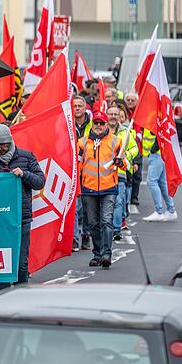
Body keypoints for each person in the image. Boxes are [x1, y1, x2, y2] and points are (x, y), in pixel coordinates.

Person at [0, 125, 44, 287]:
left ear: (10, 141)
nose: (1, 148)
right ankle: (2, 293)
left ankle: (21, 292)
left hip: (21, 218)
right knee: (0, 260)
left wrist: (24, 174)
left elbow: (40, 182)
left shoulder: (27, 157)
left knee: (21, 262)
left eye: (4, 144)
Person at [78, 111, 124, 268]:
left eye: (101, 123)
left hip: (109, 187)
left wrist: (121, 163)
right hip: (88, 188)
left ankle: (106, 254)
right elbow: (76, 165)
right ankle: (97, 254)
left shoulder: (116, 141)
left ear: (106, 124)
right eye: (96, 122)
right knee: (92, 223)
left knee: (106, 221)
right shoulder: (82, 143)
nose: (98, 126)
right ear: (92, 124)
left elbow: (125, 164)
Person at [106, 106, 137, 242]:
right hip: (103, 174)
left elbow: (134, 148)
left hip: (120, 173)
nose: (113, 117)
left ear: (119, 116)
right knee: (106, 203)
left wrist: (125, 157)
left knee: (118, 202)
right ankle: (106, 229)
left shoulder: (125, 132)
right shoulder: (101, 130)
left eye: (115, 114)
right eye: (110, 114)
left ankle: (116, 229)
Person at [142, 128, 178, 222]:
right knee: (162, 183)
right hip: (158, 154)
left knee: (152, 182)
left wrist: (154, 149)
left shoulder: (154, 116)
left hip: (156, 154)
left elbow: (159, 132)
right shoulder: (154, 116)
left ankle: (159, 212)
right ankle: (171, 210)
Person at [72, 96, 92, 251]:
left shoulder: (92, 125)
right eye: (75, 105)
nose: (77, 108)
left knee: (86, 207)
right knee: (74, 206)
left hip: (89, 171)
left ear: (85, 108)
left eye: (80, 105)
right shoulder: (67, 122)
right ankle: (73, 238)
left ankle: (86, 235)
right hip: (72, 169)